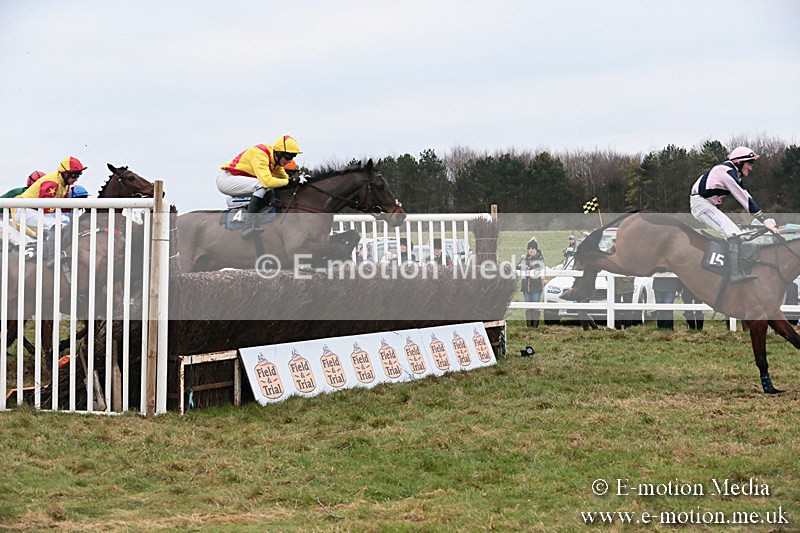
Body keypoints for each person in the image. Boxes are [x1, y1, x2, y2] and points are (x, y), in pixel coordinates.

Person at [690, 146, 779, 282]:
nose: (751, 168)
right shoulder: (726, 172)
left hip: (706, 204)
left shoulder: (732, 172)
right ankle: (734, 273)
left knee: (737, 234)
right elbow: (744, 198)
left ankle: (734, 269)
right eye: (749, 164)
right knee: (733, 233)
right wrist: (765, 221)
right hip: (701, 205)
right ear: (739, 162)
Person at [216, 135, 303, 237]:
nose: (289, 161)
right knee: (262, 185)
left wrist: (301, 182)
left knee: (270, 188)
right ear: (279, 153)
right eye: (288, 157)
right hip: (226, 180)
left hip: (238, 181)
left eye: (293, 157)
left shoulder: (276, 164)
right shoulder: (260, 154)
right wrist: (291, 181)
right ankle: (248, 226)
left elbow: (284, 180)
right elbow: (267, 182)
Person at [15, 157, 86, 234]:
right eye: (74, 175)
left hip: (35, 211)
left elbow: (64, 207)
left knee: (66, 223)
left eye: (78, 175)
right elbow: (47, 207)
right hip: (24, 211)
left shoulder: (65, 184)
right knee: (56, 225)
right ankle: (52, 246)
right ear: (65, 173)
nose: (76, 179)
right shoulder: (52, 182)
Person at [517, 238, 545, 328]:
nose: (531, 250)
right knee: (528, 306)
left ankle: (535, 326)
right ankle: (529, 326)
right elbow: (518, 266)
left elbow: (537, 267)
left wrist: (527, 267)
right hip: (526, 286)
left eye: (532, 248)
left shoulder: (540, 259)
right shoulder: (524, 258)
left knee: (535, 306)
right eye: (529, 249)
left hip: (536, 286)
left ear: (536, 249)